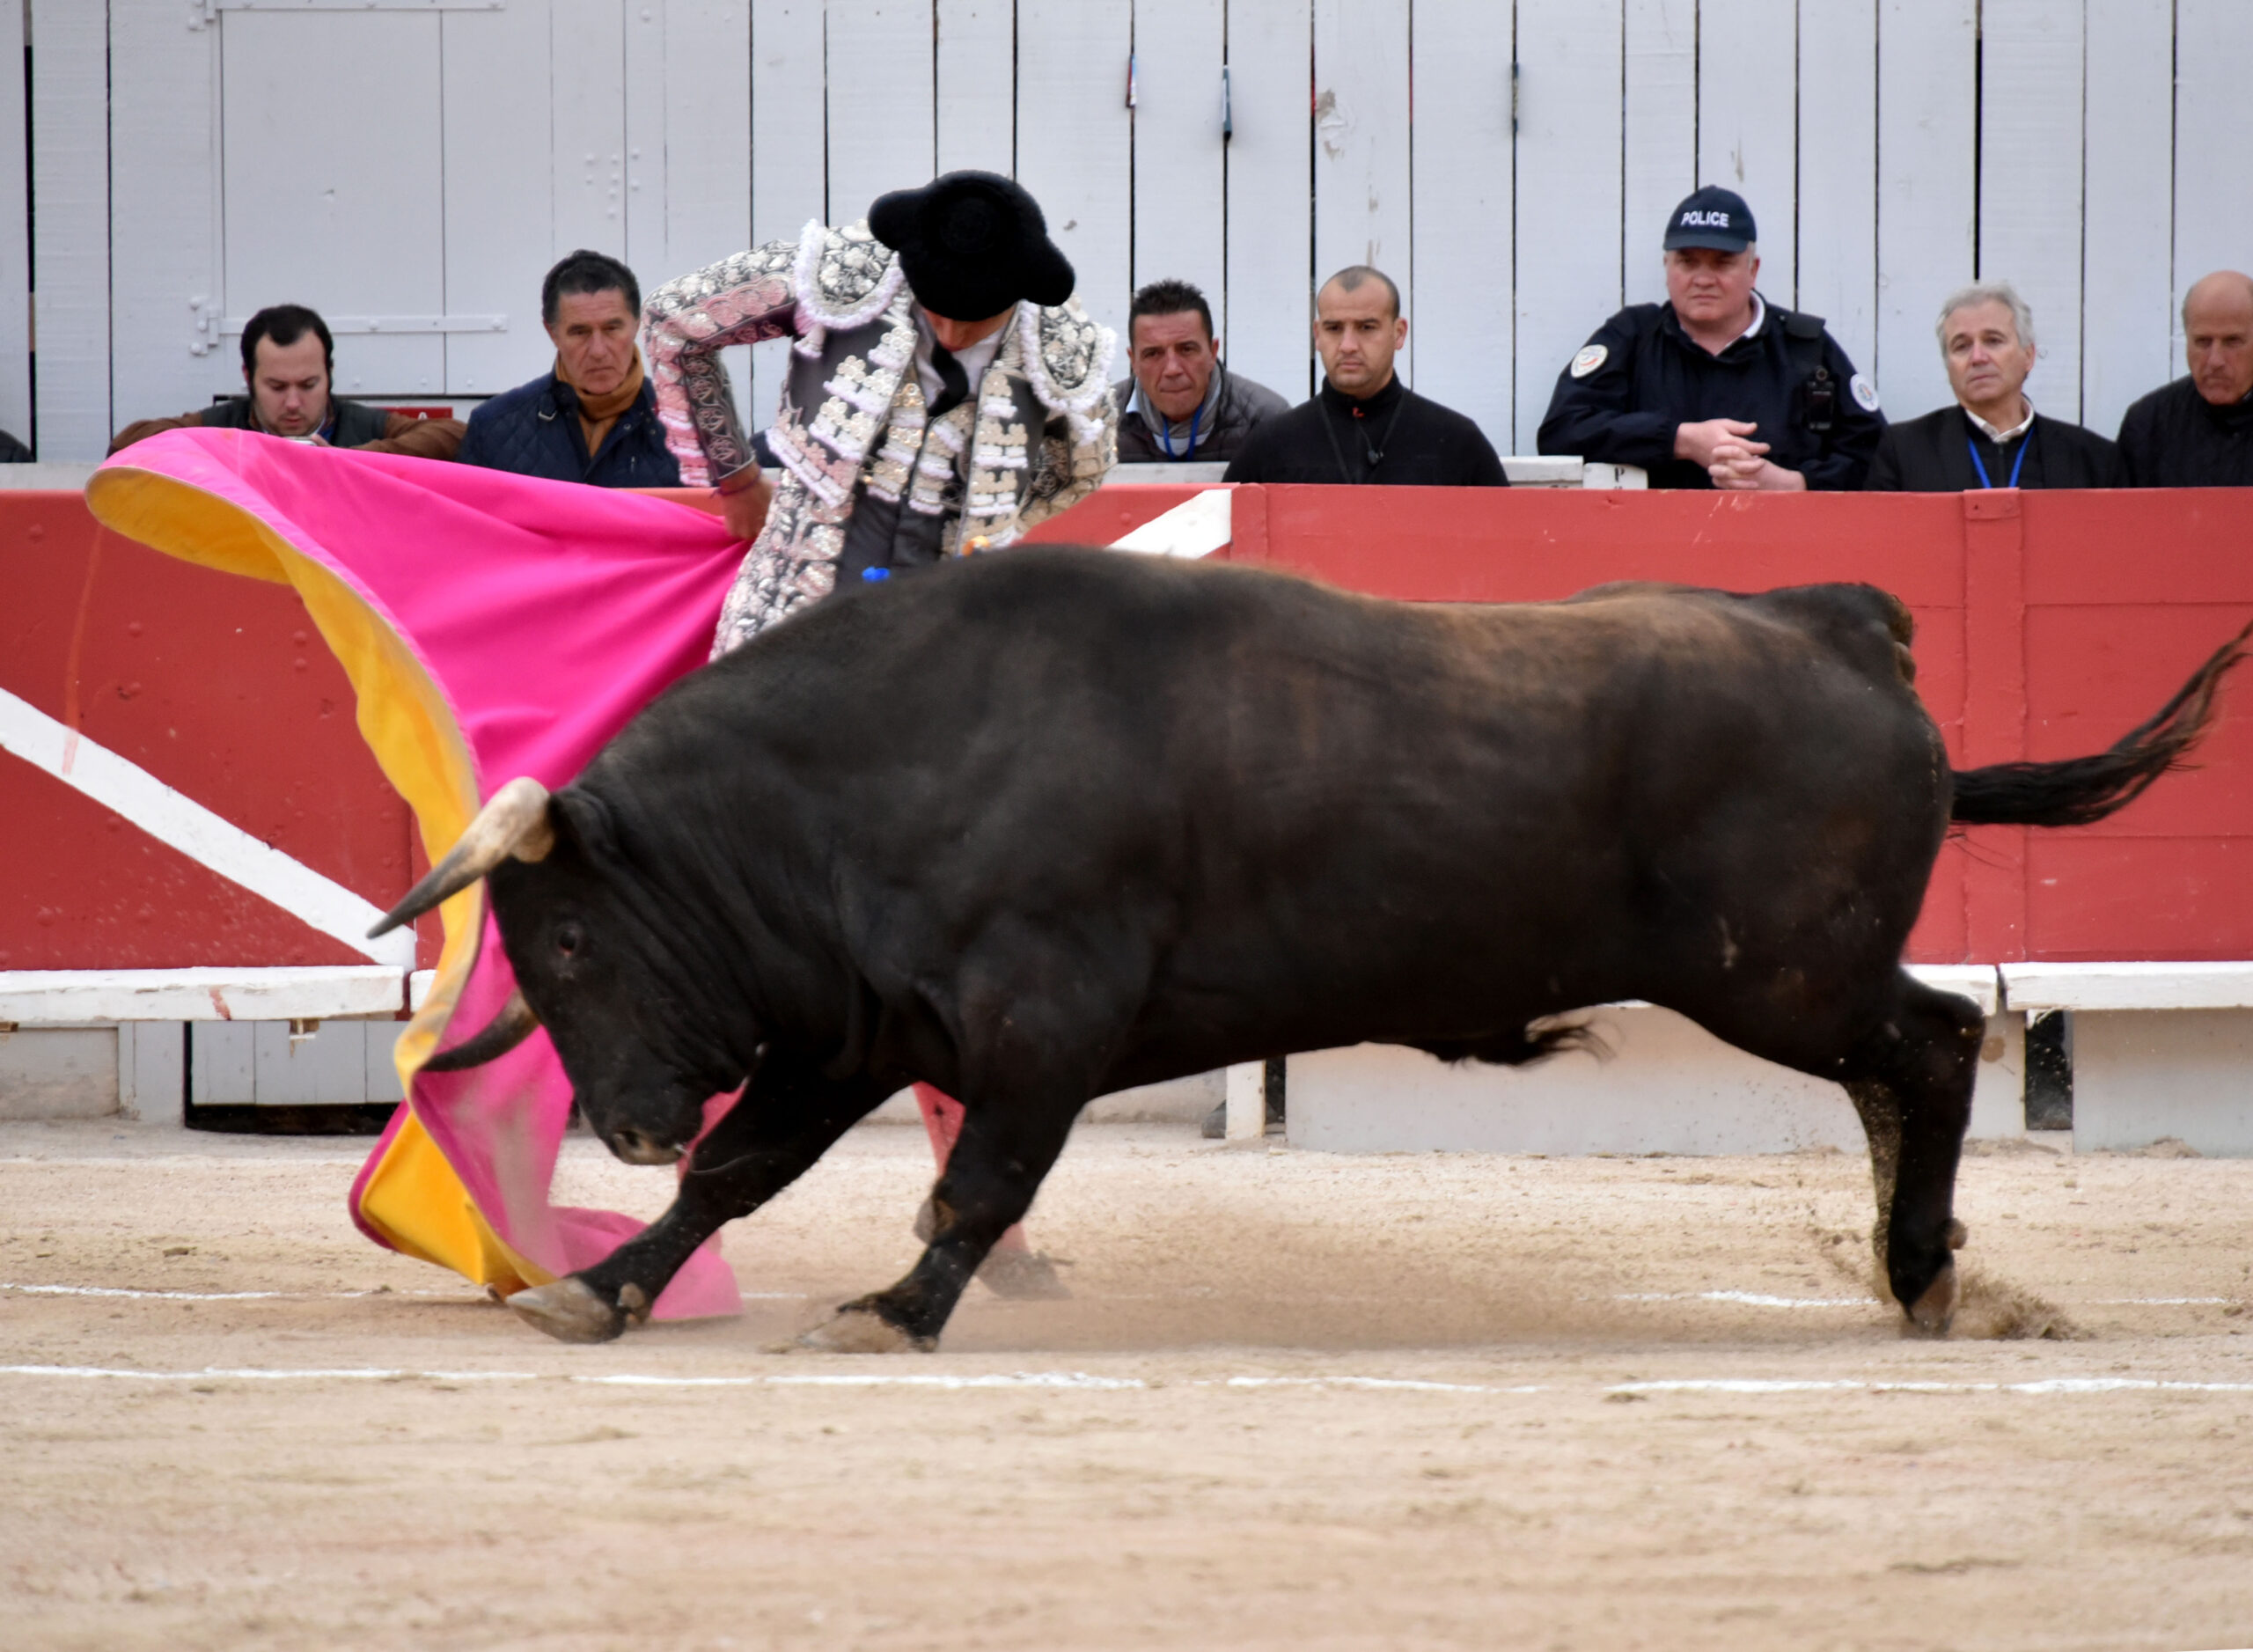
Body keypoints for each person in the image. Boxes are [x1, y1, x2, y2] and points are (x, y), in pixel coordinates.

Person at [642, 169, 1118, 1294]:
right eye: (940, 298)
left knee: (955, 945)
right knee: (737, 933)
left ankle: (979, 1214)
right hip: (780, 650)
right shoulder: (841, 281)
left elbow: (1084, 462)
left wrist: (987, 533)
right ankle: (684, 1218)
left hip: (932, 684)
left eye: (977, 309)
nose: (952, 321)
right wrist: (732, 480)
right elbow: (672, 326)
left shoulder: (1056, 351)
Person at [1537, 186, 1884, 490]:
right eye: (1688, 262)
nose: (1703, 279)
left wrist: (1798, 483)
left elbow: (1877, 454)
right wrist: (1679, 440)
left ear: (1753, 270)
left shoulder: (1805, 347)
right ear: (1667, 266)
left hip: (1780, 550)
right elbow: (1562, 430)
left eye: (1721, 264)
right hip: (1652, 549)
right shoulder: (1632, 336)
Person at [1222, 266, 1508, 486]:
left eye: (1367, 327)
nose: (1348, 345)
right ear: (1317, 335)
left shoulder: (1458, 442)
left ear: (1399, 333)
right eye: (1334, 328)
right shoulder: (1270, 445)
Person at [108, 305, 464, 460]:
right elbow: (125, 445)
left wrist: (353, 461)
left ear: (330, 374)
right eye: (276, 388)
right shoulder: (222, 424)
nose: (293, 402)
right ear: (248, 377)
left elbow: (456, 436)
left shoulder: (365, 426)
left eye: (308, 385)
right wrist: (233, 451)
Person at [1862, 281, 2124, 490]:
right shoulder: (1905, 452)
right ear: (1948, 365)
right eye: (1961, 346)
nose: (1977, 357)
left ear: (2028, 356)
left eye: (1993, 341)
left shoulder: (2092, 458)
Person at [456, 251, 679, 487]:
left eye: (612, 329)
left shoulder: (691, 429)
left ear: (637, 324)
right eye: (579, 332)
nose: (598, 351)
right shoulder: (493, 428)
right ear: (552, 332)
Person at [1110, 279, 1288, 463]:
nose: (1172, 369)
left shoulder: (1265, 421)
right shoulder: (1097, 424)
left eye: (1186, 349)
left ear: (1213, 352)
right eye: (1153, 353)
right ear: (1134, 361)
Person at [2117, 270, 2253, 487]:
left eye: (2232, 341)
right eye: (2202, 342)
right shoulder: (2150, 424)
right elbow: (2129, 517)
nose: (2215, 360)